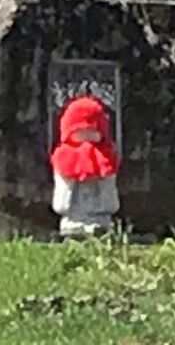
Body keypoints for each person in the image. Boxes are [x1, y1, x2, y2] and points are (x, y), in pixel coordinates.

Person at [50, 90, 120, 238]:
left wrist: (103, 181)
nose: (86, 135)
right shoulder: (63, 156)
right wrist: (69, 182)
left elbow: (110, 199)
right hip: (73, 216)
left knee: (100, 226)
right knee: (73, 227)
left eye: (92, 130)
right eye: (81, 131)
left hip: (99, 216)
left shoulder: (106, 157)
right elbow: (61, 202)